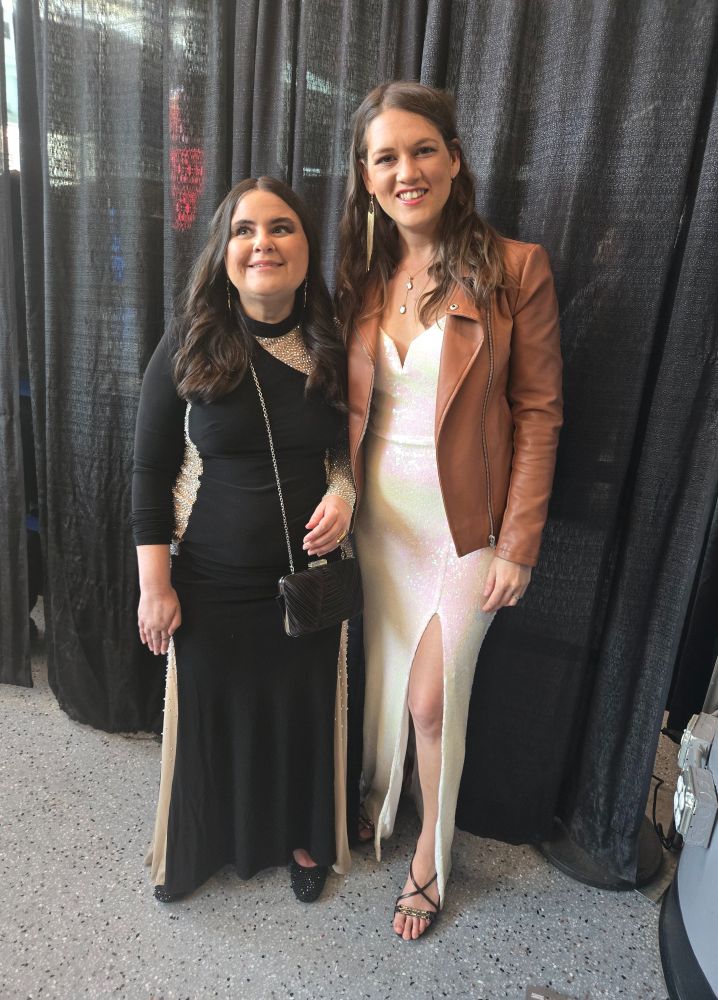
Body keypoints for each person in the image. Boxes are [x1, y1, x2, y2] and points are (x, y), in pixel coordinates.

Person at [336, 82, 563, 940]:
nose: (407, 171)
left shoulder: (515, 268)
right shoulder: (363, 276)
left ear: (455, 159)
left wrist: (520, 545)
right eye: (386, 157)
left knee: (432, 697)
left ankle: (433, 849)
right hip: (378, 524)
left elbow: (540, 412)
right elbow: (347, 410)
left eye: (422, 149)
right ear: (365, 176)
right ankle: (379, 797)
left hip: (470, 532)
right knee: (384, 679)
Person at [132, 176, 354, 903]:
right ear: (224, 251)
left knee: (299, 716)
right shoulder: (189, 343)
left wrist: (347, 495)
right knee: (209, 720)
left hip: (307, 583)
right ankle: (202, 846)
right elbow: (149, 469)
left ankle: (302, 837)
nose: (264, 243)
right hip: (210, 583)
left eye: (282, 228)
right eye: (246, 230)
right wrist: (154, 586)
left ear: (306, 246)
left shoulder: (329, 346)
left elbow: (355, 454)